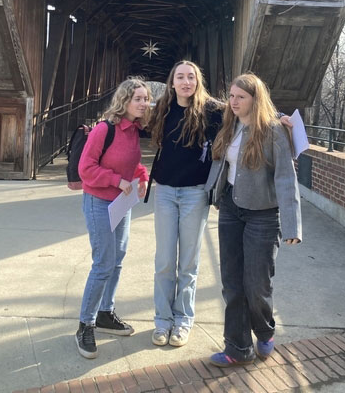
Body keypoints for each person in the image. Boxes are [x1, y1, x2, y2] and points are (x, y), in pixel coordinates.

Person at [206, 72, 302, 367]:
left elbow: (286, 178)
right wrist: (215, 194)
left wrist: (292, 225)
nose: (234, 102)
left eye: (241, 97)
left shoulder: (274, 130)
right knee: (232, 282)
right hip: (231, 210)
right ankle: (238, 347)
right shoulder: (230, 124)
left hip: (264, 215)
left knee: (257, 284)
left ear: (255, 99)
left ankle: (264, 330)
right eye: (231, 96)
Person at [146, 60, 224, 347]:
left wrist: (280, 117)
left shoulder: (212, 110)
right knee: (165, 261)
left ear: (198, 81)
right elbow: (130, 114)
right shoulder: (162, 109)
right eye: (180, 77)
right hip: (166, 192)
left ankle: (183, 320)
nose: (186, 82)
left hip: (195, 193)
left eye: (191, 77)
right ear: (172, 82)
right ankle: (162, 320)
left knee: (188, 263)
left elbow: (246, 109)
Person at [75, 78, 150, 359]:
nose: (143, 103)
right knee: (103, 264)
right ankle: (85, 324)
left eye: (146, 99)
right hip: (99, 202)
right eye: (138, 99)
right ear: (124, 100)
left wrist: (142, 175)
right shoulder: (104, 129)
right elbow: (86, 168)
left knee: (117, 259)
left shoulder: (133, 130)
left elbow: (131, 161)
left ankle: (105, 313)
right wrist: (116, 180)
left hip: (122, 203)